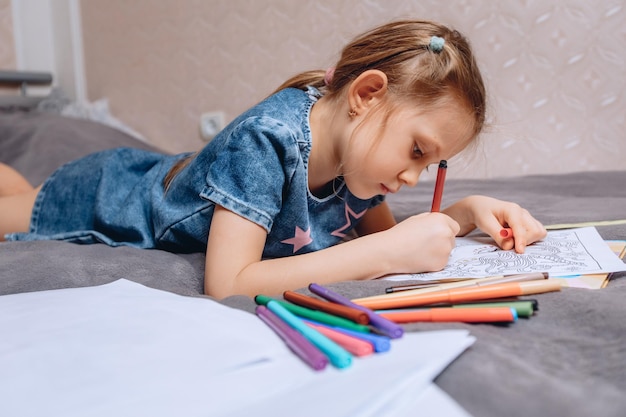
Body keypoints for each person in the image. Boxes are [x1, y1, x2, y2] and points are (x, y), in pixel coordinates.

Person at [0, 20, 546, 298]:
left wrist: (466, 212)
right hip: (109, 197)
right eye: (417, 151)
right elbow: (228, 283)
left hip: (160, 173)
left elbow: (388, 234)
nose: (411, 177)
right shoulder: (268, 140)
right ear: (367, 94)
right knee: (18, 210)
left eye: (431, 167)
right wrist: (384, 253)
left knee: (17, 191)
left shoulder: (359, 160)